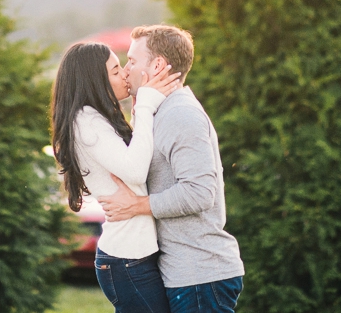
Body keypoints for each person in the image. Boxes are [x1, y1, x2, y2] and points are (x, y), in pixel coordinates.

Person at [98, 25, 245, 313]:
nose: (126, 70)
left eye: (132, 60)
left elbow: (200, 192)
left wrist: (137, 206)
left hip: (200, 275)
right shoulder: (163, 111)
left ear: (157, 65)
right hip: (185, 273)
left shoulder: (181, 115)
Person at [51, 41, 181, 313]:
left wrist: (138, 110)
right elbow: (136, 170)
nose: (124, 73)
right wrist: (145, 105)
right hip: (127, 259)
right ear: (94, 81)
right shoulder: (87, 123)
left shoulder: (94, 119)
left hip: (132, 255)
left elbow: (133, 161)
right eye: (114, 70)